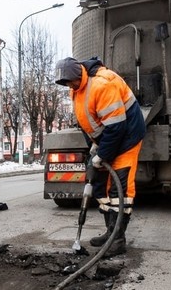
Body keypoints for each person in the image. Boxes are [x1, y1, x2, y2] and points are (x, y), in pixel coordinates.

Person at [54, 56, 146, 257]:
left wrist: (102, 154)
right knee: (99, 186)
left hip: (126, 138)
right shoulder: (77, 89)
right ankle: (110, 232)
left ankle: (118, 239)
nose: (69, 86)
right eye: (66, 83)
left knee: (119, 189)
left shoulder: (102, 85)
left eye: (70, 81)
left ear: (79, 74)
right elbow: (89, 121)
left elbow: (116, 127)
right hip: (108, 139)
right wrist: (95, 147)